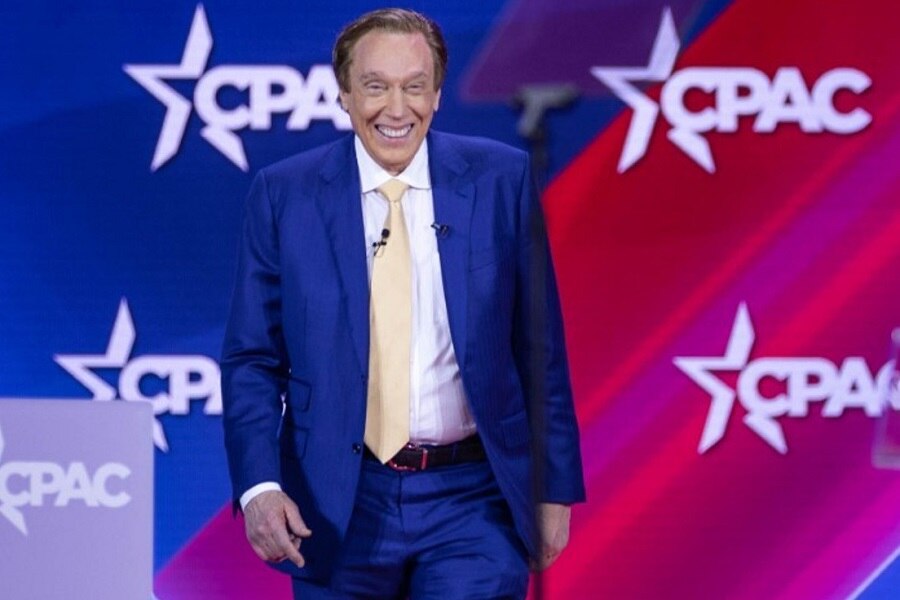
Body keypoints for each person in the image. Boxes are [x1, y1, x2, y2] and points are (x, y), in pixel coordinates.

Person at [221, 8, 585, 599]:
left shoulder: (501, 179)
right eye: (375, 86)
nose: (397, 109)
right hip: (335, 501)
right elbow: (251, 360)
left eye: (414, 87)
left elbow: (539, 349)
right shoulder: (285, 195)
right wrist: (259, 487)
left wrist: (553, 486)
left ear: (437, 94)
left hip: (473, 499)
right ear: (343, 94)